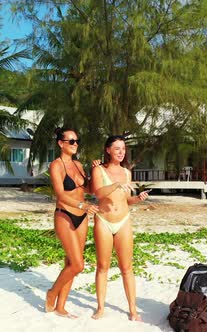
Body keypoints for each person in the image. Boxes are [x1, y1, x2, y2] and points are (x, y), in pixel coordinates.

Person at [90, 135, 149, 321]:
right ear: (108, 150)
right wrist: (115, 184)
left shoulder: (127, 172)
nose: (121, 152)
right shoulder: (99, 170)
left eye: (123, 149)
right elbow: (98, 193)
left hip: (123, 220)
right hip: (104, 220)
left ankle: (133, 310)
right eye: (117, 149)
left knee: (127, 267)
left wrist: (137, 199)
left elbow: (126, 200)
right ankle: (100, 308)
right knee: (102, 266)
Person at [45, 127, 99, 319]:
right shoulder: (56, 165)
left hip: (82, 217)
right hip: (65, 215)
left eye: (77, 141)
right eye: (71, 141)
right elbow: (60, 194)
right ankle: (52, 293)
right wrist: (81, 205)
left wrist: (95, 170)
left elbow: (90, 190)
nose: (75, 144)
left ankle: (61, 307)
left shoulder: (78, 165)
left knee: (70, 263)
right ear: (61, 143)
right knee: (78, 265)